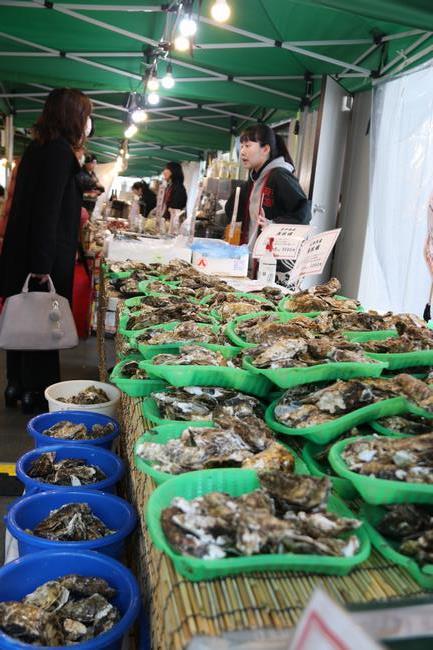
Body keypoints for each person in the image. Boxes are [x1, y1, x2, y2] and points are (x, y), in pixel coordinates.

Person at [0, 87, 93, 414]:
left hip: (21, 252)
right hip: (41, 257)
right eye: (86, 114)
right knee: (41, 326)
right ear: (73, 117)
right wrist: (41, 264)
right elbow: (47, 211)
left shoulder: (37, 149)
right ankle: (36, 393)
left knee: (22, 322)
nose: (88, 122)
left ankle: (16, 386)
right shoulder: (58, 152)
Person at [225, 124, 311, 246]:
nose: (242, 151)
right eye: (242, 146)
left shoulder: (279, 175)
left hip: (273, 258)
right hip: (252, 256)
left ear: (265, 149)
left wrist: (273, 225)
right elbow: (232, 210)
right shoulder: (253, 179)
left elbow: (303, 213)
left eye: (248, 146)